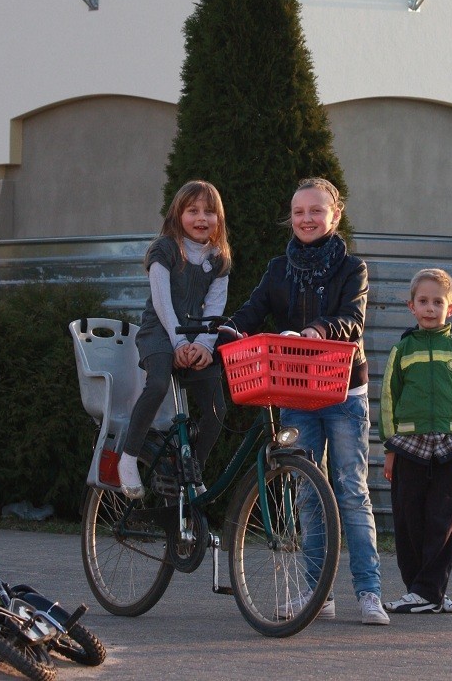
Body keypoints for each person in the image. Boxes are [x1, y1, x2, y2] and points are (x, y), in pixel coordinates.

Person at [228, 177, 389, 626]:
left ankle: (369, 592)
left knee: (352, 493)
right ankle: (317, 595)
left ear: (334, 216)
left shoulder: (352, 267)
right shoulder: (279, 268)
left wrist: (318, 330)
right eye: (299, 212)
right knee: (308, 495)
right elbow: (253, 308)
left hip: (343, 391)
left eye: (316, 211)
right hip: (297, 392)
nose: (306, 219)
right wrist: (227, 329)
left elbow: (351, 320)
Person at [379, 267, 452, 614]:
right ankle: (421, 591)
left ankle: (431, 591)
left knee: (443, 520)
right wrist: (390, 449)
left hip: (451, 448)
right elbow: (388, 400)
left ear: (450, 309)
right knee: (409, 520)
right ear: (411, 307)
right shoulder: (402, 350)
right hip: (409, 448)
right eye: (422, 301)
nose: (429, 308)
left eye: (437, 302)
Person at [117, 180, 231, 499]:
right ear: (177, 215)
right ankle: (128, 458)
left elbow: (216, 308)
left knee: (216, 408)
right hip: (159, 331)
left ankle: (193, 467)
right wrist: (178, 344)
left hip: (196, 336)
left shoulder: (219, 259)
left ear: (218, 219)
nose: (201, 218)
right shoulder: (165, 249)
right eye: (192, 211)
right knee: (156, 385)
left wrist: (205, 346)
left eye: (209, 212)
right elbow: (163, 302)